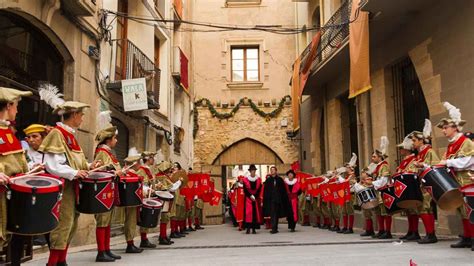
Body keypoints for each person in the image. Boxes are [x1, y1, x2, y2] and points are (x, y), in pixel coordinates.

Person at [38, 84, 102, 266]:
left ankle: (62, 261)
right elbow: (52, 165)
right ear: (73, 115)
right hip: (63, 188)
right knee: (62, 226)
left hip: (72, 187)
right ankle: (53, 263)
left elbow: (75, 162)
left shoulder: (70, 135)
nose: (82, 119)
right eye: (81, 115)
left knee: (71, 224)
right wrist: (75, 173)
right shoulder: (58, 134)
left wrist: (89, 166)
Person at [0, 87, 33, 265]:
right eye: (16, 106)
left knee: (15, 238)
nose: (18, 110)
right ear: (8, 105)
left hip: (11, 195)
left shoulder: (8, 132)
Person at [436, 102, 473, 250]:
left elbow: (469, 161)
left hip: (467, 180)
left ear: (455, 127)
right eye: (443, 128)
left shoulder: (466, 142)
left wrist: (448, 162)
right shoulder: (451, 144)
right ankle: (468, 237)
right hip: (455, 181)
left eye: (446, 127)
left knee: (470, 209)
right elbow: (444, 162)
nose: (443, 130)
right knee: (461, 209)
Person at [93, 121, 123, 261]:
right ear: (109, 139)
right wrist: (114, 171)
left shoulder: (108, 153)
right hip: (102, 192)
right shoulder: (101, 153)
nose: (116, 141)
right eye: (115, 138)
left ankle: (107, 249)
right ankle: (101, 252)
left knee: (108, 221)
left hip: (109, 189)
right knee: (102, 221)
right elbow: (98, 170)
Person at [411, 119, 439, 244]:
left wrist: (421, 165)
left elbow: (435, 165)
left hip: (428, 184)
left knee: (425, 208)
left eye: (414, 140)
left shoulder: (429, 152)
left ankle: (431, 234)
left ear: (421, 141)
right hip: (421, 184)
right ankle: (429, 233)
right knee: (424, 208)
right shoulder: (420, 154)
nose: (412, 143)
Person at [23, 123, 49, 246]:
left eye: (35, 136)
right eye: (29, 137)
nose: (31, 140)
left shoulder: (50, 153)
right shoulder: (24, 154)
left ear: (43, 137)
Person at [395, 134, 419, 242]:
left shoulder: (413, 159)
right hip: (404, 187)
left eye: (401, 148)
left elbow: (412, 171)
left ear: (406, 149)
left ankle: (415, 232)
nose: (400, 150)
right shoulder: (404, 160)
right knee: (408, 210)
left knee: (413, 210)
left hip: (411, 187)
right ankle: (410, 231)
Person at [121, 148, 144, 254]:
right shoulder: (130, 174)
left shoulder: (129, 173)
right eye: (139, 162)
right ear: (135, 163)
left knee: (131, 221)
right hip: (130, 203)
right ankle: (130, 244)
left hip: (131, 202)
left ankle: (130, 243)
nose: (140, 164)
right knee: (130, 222)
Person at [370, 136, 393, 239]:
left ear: (380, 157)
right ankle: (381, 230)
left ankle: (387, 232)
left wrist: (372, 183)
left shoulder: (384, 166)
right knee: (379, 212)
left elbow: (384, 180)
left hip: (384, 192)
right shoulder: (378, 166)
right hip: (378, 192)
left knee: (386, 212)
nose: (372, 158)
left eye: (374, 157)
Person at [136, 151, 157, 249]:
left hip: (149, 195)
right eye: (152, 158)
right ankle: (143, 240)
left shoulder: (147, 169)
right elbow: (141, 183)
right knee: (144, 218)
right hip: (144, 196)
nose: (154, 160)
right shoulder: (141, 169)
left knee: (147, 218)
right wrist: (149, 188)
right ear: (149, 159)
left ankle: (144, 239)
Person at [262, 166, 292, 234]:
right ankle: (273, 228)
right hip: (271, 200)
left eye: (273, 170)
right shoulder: (268, 180)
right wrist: (266, 200)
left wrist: (284, 199)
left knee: (277, 214)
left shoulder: (280, 180)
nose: (272, 171)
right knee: (273, 214)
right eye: (271, 170)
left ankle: (275, 227)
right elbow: (266, 191)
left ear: (276, 171)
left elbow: (283, 190)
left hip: (278, 200)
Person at [155, 161, 175, 245]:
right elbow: (170, 187)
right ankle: (162, 236)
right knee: (164, 217)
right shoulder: (162, 177)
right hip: (164, 198)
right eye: (168, 168)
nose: (170, 170)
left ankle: (163, 235)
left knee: (165, 217)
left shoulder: (162, 176)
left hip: (165, 197)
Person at [340, 153, 358, 234]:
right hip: (346, 194)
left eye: (347, 167)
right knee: (345, 211)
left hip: (350, 195)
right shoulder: (348, 176)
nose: (346, 169)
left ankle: (350, 228)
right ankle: (345, 226)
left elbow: (345, 183)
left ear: (350, 168)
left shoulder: (352, 175)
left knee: (350, 211)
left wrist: (339, 177)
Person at [243, 165, 263, 234]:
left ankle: (254, 229)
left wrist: (255, 196)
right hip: (248, 198)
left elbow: (260, 189)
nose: (253, 172)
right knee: (248, 214)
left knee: (254, 214)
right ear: (250, 171)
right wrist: (250, 195)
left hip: (255, 199)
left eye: (254, 171)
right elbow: (245, 190)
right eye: (252, 171)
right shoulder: (245, 180)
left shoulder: (258, 179)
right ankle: (248, 229)